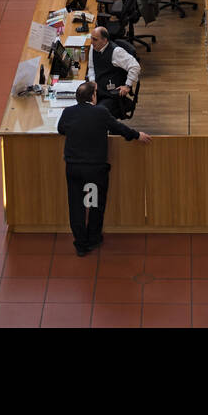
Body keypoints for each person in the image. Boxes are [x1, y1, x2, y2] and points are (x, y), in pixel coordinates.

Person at [57, 80, 150, 255]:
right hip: (94, 169)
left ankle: (80, 244)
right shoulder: (101, 112)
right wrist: (137, 135)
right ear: (93, 97)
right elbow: (120, 128)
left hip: (74, 168)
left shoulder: (68, 112)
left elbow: (61, 129)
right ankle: (93, 238)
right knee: (94, 204)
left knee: (76, 205)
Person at [87, 25, 141, 118]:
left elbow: (135, 66)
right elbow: (91, 67)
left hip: (111, 95)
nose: (91, 42)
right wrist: (92, 81)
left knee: (96, 114)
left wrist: (127, 85)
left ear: (104, 40)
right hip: (98, 90)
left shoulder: (116, 52)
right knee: (81, 107)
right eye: (91, 38)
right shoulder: (94, 48)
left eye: (95, 39)